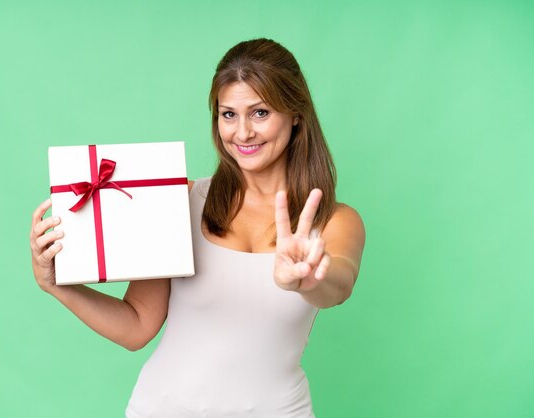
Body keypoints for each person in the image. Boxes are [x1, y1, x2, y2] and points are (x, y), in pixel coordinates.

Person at [30, 38, 365, 417]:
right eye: (228, 114)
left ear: (295, 114)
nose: (242, 133)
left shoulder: (334, 219)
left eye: (259, 113)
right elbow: (138, 325)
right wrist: (57, 285)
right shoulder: (181, 200)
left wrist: (308, 280)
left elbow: (339, 284)